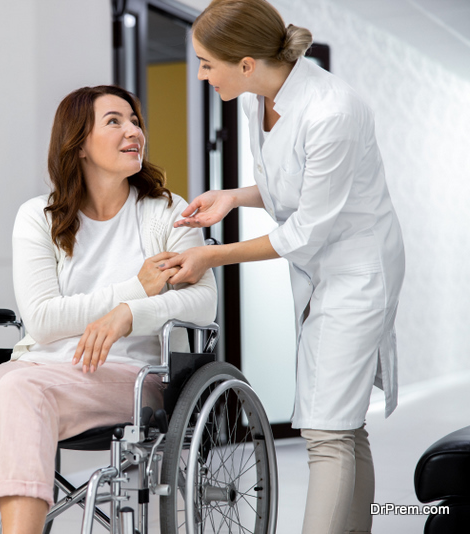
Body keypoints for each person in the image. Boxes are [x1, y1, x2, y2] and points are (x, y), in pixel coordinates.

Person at [0, 85, 218, 534]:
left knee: (19, 389)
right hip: (40, 367)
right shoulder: (40, 216)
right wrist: (136, 287)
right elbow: (43, 320)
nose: (133, 131)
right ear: (79, 143)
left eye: (134, 121)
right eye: (114, 121)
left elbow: (204, 302)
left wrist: (128, 313)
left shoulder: (167, 213)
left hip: (130, 375)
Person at [159, 1, 405, 533]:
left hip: (357, 268)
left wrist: (213, 255)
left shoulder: (332, 110)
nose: (200, 74)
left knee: (326, 432)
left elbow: (305, 229)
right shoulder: (257, 99)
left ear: (245, 63)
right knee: (341, 423)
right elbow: (285, 189)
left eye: (206, 63)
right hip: (320, 266)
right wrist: (232, 197)